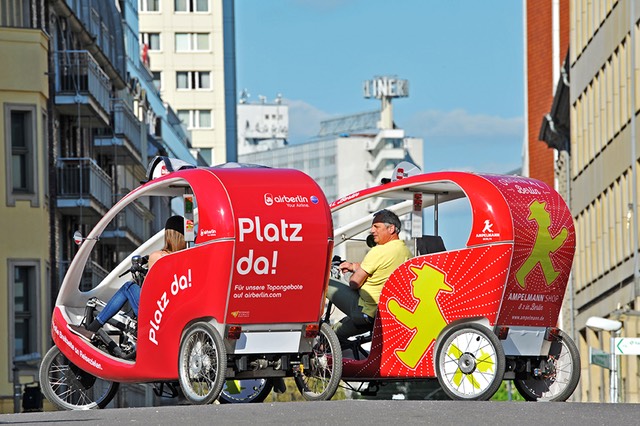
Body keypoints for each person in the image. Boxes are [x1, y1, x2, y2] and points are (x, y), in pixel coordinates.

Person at [69, 215, 187, 341]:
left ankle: (92, 328)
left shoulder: (158, 257)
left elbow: (151, 288)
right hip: (172, 311)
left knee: (128, 287)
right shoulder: (185, 259)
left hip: (155, 312)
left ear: (168, 234)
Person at [327, 209, 411, 344]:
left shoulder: (379, 250)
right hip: (382, 315)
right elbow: (379, 267)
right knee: (336, 330)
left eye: (376, 226)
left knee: (326, 283)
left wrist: (349, 274)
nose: (372, 230)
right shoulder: (406, 252)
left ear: (391, 229)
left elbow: (354, 283)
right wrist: (353, 266)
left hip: (364, 312)